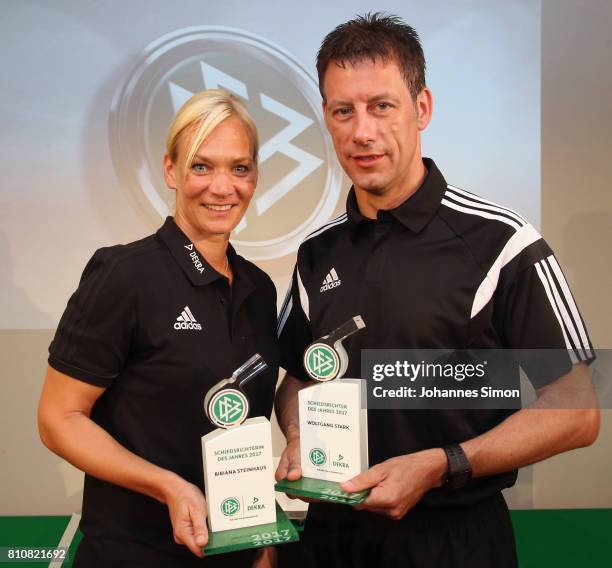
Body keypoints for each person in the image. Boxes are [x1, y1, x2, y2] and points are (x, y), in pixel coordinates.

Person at [274, 13, 600, 568]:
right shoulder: (317, 253)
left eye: (382, 105)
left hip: (454, 540)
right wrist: (300, 433)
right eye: (342, 110)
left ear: (421, 107)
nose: (362, 131)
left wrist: (441, 464)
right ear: (326, 119)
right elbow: (299, 379)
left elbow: (577, 409)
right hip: (330, 538)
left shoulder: (503, 243)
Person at [38, 90, 279, 567]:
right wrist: (167, 485)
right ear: (171, 170)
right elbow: (57, 420)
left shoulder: (260, 289)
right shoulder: (125, 275)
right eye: (201, 166)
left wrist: (262, 544)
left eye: (239, 168)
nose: (222, 187)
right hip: (136, 553)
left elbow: (243, 428)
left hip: (235, 550)